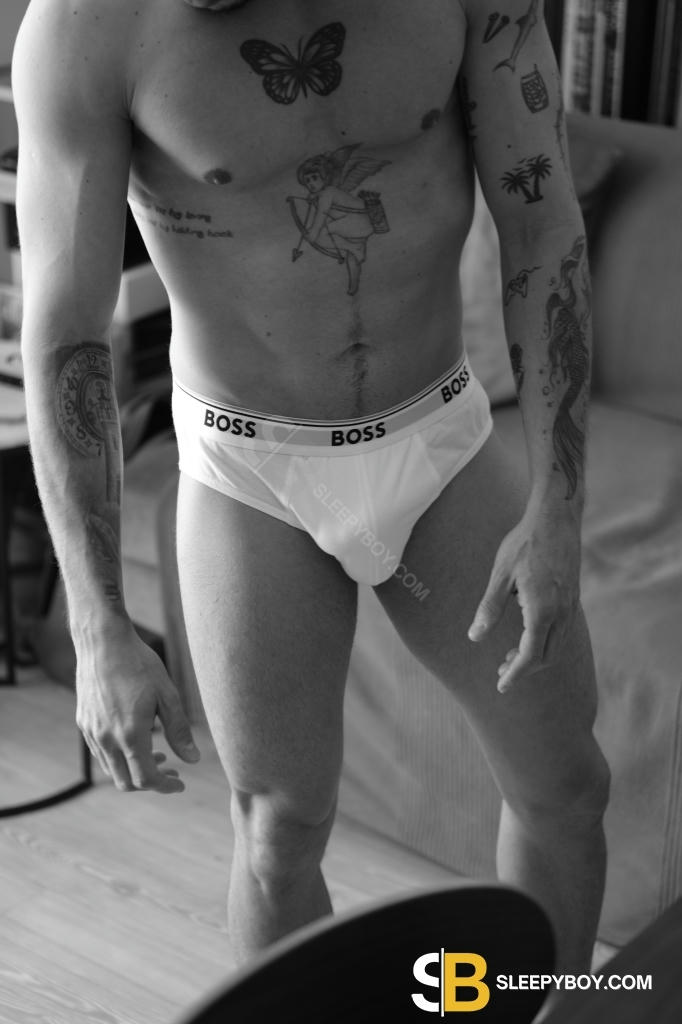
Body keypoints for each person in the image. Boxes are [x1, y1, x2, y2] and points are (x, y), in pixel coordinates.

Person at [13, 0, 610, 976]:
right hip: (251, 470)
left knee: (567, 786)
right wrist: (97, 626)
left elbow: (543, 231)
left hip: (440, 438)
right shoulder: (84, 28)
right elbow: (67, 331)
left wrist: (559, 505)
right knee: (279, 832)